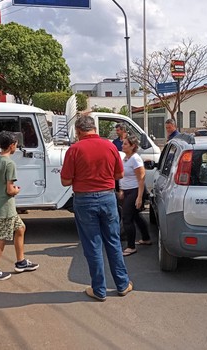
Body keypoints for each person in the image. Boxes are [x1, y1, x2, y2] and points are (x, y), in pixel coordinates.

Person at [61, 115, 133, 302]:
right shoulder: (110, 146)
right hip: (108, 197)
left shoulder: (74, 150)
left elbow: (65, 181)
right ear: (95, 129)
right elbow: (120, 173)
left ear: (78, 131)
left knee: (93, 245)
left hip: (84, 200)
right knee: (113, 241)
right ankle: (123, 284)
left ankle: (99, 289)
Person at [0, 130, 39, 282]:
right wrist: (16, 190)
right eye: (16, 145)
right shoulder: (9, 163)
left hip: (2, 206)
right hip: (5, 207)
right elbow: (10, 189)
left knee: (20, 228)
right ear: (11, 145)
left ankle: (21, 262)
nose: (17, 147)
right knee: (2, 239)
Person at [117, 135, 151, 256]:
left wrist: (139, 197)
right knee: (135, 216)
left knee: (127, 218)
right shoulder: (125, 158)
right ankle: (146, 238)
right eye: (123, 143)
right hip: (126, 191)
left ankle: (131, 246)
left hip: (134, 191)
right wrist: (121, 189)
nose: (123, 145)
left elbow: (141, 179)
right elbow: (123, 175)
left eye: (126, 144)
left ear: (133, 146)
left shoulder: (136, 159)